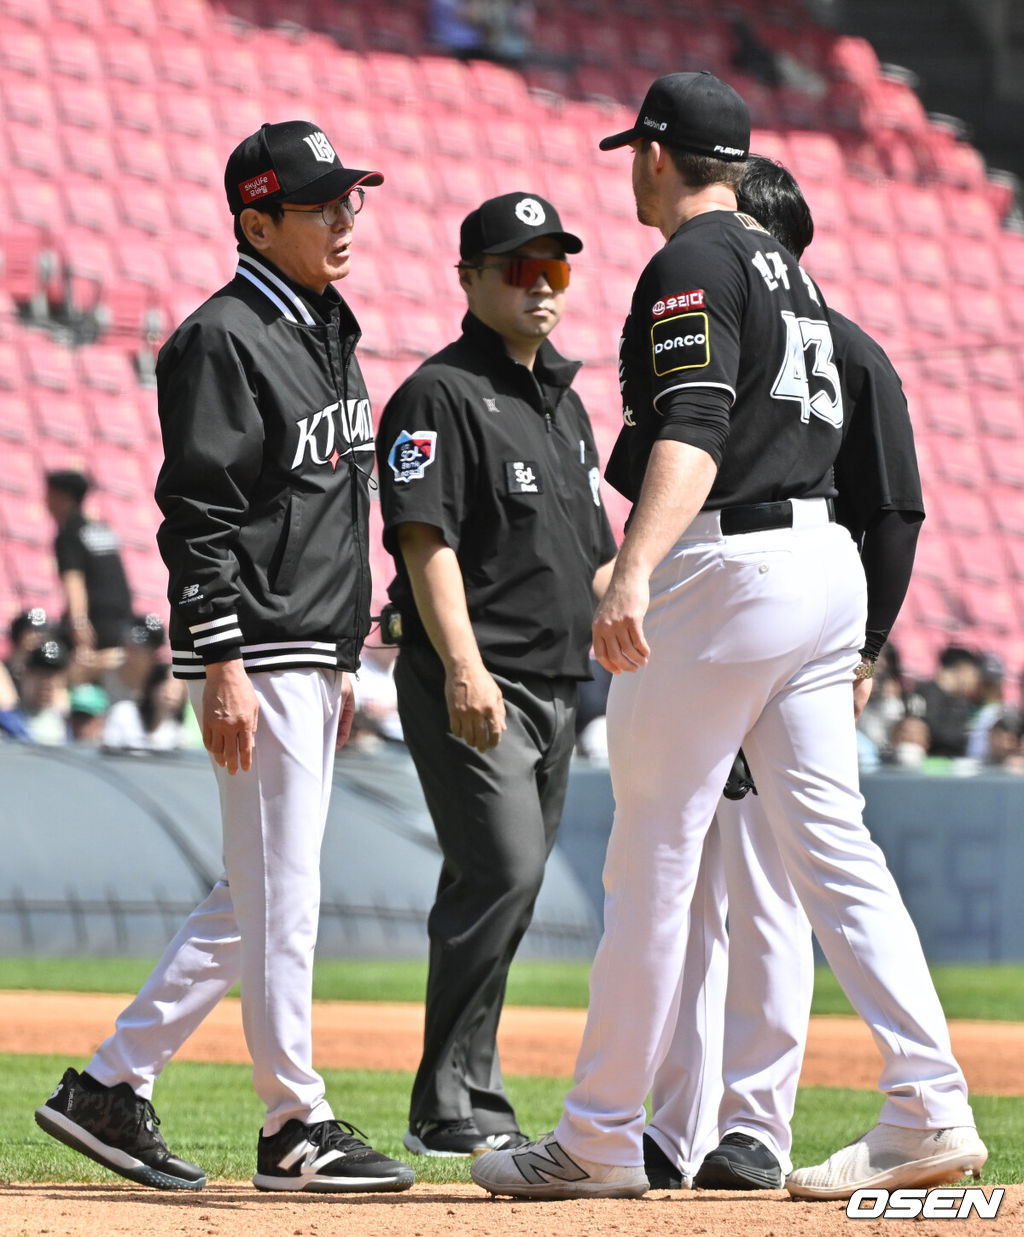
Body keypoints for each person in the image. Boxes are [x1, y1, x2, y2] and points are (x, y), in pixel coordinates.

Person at [472, 70, 985, 1201]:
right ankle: (930, 1104)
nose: (632, 174)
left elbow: (696, 423)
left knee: (651, 856)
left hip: (731, 562)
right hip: (819, 572)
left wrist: (635, 571)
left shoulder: (692, 261)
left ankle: (600, 1134)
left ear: (657, 154)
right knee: (835, 852)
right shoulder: (790, 273)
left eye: (634, 155)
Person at [35, 119, 415, 1196]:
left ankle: (110, 1085)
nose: (347, 216)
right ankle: (295, 1119)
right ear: (258, 219)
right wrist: (222, 660)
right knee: (280, 894)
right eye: (321, 203)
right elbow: (196, 515)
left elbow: (334, 498)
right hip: (255, 643)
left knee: (257, 894)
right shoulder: (223, 337)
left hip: (308, 644)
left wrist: (343, 651)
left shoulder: (326, 321)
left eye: (352, 197)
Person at [642, 153, 930, 1194]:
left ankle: (748, 1126)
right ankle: (671, 1129)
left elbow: (891, 511)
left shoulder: (843, 351)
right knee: (686, 886)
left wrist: (866, 651)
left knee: (755, 886)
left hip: (779, 634)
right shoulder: (736, 340)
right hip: (715, 625)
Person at [376, 191, 617, 1158]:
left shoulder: (564, 400)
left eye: (555, 265)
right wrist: (463, 667)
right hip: (477, 683)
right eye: (517, 267)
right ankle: (447, 1097)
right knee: (506, 870)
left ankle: (473, 1086)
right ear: (468, 279)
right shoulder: (438, 393)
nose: (540, 283)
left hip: (560, 686)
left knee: (499, 886)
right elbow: (422, 539)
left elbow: (595, 556)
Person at [44, 470, 134, 683]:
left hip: (94, 623)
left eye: (49, 495)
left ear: (63, 497)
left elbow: (74, 580)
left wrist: (78, 623)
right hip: (121, 621)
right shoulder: (102, 529)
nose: (45, 502)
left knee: (61, 672)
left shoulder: (68, 535)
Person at [102, 662, 190, 752]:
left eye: (177, 686)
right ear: (152, 685)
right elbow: (109, 750)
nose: (170, 691)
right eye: (165, 684)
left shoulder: (177, 729)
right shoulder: (124, 713)